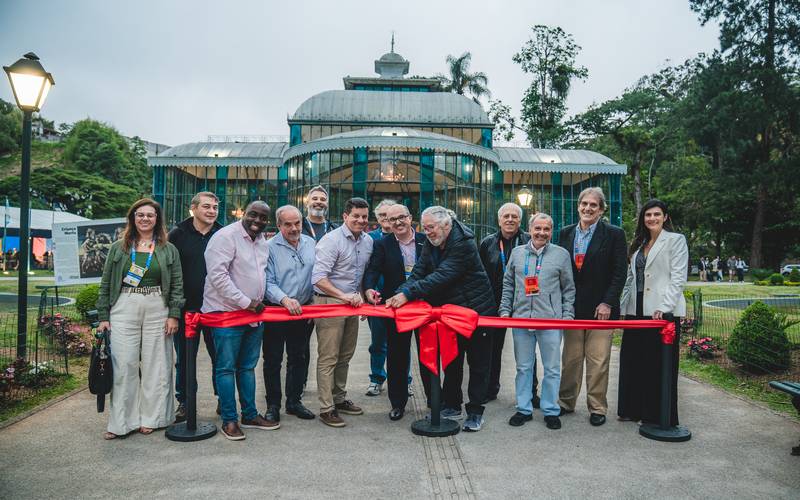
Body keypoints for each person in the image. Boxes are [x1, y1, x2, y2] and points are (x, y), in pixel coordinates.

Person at [385, 206, 496, 432]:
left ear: (446, 225)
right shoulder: (431, 241)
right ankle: (452, 404)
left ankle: (475, 412)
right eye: (424, 228)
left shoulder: (464, 243)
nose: (428, 233)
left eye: (431, 228)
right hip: (452, 313)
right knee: (452, 361)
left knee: (478, 364)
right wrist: (399, 292)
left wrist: (407, 294)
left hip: (477, 311)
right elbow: (419, 272)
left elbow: (442, 275)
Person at [96, 198, 184, 440]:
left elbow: (177, 284)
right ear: (132, 218)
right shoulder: (118, 247)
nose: (145, 219)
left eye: (150, 215)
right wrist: (103, 315)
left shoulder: (168, 249)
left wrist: (174, 314)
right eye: (140, 215)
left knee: (158, 364)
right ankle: (122, 422)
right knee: (124, 365)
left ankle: (153, 418)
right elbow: (105, 283)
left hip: (158, 305)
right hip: (124, 305)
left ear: (157, 219)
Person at [203, 200, 276, 441]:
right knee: (226, 368)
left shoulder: (263, 242)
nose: (257, 220)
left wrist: (257, 302)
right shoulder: (225, 237)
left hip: (254, 316)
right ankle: (229, 420)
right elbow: (217, 276)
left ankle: (250, 414)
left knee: (247, 367)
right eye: (253, 215)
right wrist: (247, 302)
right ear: (243, 213)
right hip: (226, 313)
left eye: (263, 218)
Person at [556, 187, 627, 427]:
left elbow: (619, 274)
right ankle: (566, 402)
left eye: (593, 205)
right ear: (578, 206)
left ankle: (597, 407)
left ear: (601, 209)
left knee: (598, 361)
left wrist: (607, 302)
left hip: (601, 310)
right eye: (584, 204)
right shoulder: (564, 234)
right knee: (571, 360)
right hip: (572, 309)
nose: (587, 208)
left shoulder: (614, 234)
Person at [500, 213, 574, 430]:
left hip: (550, 320)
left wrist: (567, 317)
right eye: (538, 228)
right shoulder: (517, 253)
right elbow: (508, 285)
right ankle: (524, 408)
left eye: (547, 229)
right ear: (530, 230)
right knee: (524, 367)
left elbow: (568, 289)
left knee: (552, 368)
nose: (542, 233)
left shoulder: (561, 255)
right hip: (521, 320)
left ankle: (551, 409)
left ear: (551, 231)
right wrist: (505, 311)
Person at [618, 199, 688, 425]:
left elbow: (678, 278)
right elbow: (631, 278)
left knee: (657, 365)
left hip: (660, 313)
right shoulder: (639, 244)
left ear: (665, 217)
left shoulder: (676, 241)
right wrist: (622, 307)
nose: (652, 219)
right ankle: (633, 409)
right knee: (634, 362)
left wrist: (665, 307)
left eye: (657, 214)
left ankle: (656, 414)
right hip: (635, 312)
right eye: (648, 215)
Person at [311, 197, 374, 427]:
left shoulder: (367, 242)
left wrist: (363, 297)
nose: (361, 220)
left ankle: (339, 398)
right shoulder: (331, 241)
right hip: (329, 302)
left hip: (352, 304)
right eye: (356, 216)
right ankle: (326, 408)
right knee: (328, 357)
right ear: (345, 216)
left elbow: (360, 274)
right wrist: (344, 296)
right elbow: (318, 279)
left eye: (364, 216)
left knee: (345, 356)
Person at [364, 203, 427, 420]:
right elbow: (373, 269)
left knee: (427, 355)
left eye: (402, 217)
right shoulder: (382, 244)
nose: (398, 222)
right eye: (393, 220)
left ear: (411, 218)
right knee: (397, 356)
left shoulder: (425, 241)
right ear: (387, 223)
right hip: (396, 307)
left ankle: (433, 400)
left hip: (425, 307)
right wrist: (369, 288)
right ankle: (398, 403)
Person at [168, 191, 222, 422]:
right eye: (206, 207)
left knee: (220, 357)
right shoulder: (177, 234)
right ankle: (185, 402)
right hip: (185, 309)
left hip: (216, 308)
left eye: (215, 207)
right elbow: (169, 271)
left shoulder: (223, 233)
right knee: (184, 359)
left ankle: (224, 398)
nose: (211, 211)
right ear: (194, 208)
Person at [479, 202, 539, 406]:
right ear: (499, 220)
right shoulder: (488, 243)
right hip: (495, 303)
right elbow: (481, 275)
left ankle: (532, 391)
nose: (510, 219)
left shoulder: (530, 241)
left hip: (525, 301)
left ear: (520, 221)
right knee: (492, 349)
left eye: (514, 216)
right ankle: (490, 388)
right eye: (506, 216)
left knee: (528, 350)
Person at [263, 205, 317, 422]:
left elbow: (317, 275)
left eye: (297, 223)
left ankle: (294, 402)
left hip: (303, 311)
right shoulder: (268, 248)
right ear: (278, 225)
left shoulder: (311, 243)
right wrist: (284, 299)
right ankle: (273, 405)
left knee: (299, 357)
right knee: (273, 359)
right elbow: (267, 282)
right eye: (288, 224)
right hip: (276, 310)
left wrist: (314, 303)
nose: (294, 228)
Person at [365, 199, 398, 397]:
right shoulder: (370, 239)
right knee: (377, 343)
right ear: (377, 218)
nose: (387, 219)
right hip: (376, 301)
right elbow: (365, 270)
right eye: (382, 216)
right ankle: (376, 379)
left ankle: (405, 379)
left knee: (400, 343)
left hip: (400, 300)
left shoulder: (403, 237)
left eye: (390, 215)